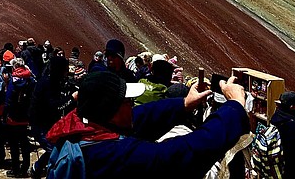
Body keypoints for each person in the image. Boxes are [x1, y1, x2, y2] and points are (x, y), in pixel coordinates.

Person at [46, 72, 250, 177]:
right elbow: (183, 154)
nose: (132, 105)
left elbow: (139, 117)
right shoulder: (114, 156)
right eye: (127, 101)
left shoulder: (81, 124)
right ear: (113, 111)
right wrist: (234, 107)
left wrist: (183, 105)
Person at [28, 56, 76, 179]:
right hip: (40, 124)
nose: (67, 73)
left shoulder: (53, 81)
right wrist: (72, 98)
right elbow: (54, 106)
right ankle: (40, 170)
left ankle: (37, 168)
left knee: (57, 148)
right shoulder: (48, 83)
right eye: (65, 70)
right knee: (54, 150)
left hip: (49, 123)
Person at [4, 59, 35, 178]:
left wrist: (5, 115)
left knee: (14, 145)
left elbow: (8, 100)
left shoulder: (13, 80)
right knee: (24, 143)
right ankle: (25, 167)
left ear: (14, 67)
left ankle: (16, 169)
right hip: (25, 117)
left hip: (13, 118)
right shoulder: (30, 79)